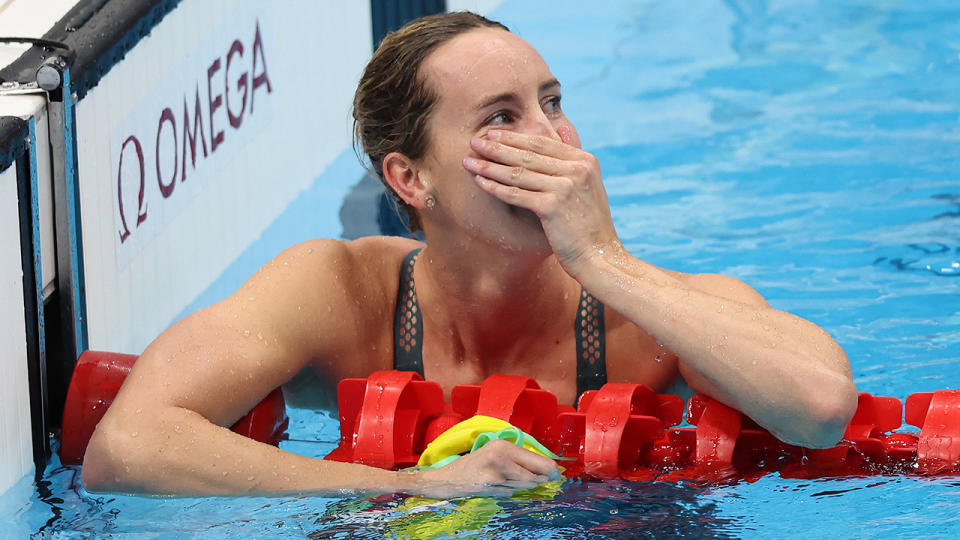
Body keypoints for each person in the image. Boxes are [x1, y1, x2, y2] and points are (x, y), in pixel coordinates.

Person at [81, 12, 857, 497]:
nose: (551, 139)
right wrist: (412, 486)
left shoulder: (644, 314)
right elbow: (128, 447)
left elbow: (821, 411)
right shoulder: (340, 292)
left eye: (552, 103)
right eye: (502, 117)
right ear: (410, 178)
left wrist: (600, 258)